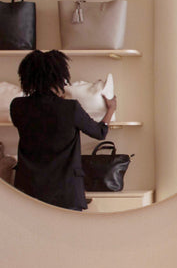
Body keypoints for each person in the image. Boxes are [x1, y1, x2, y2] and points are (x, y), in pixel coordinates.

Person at [10, 49, 117, 211]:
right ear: (59, 77)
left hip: (28, 189)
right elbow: (99, 132)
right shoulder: (69, 108)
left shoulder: (17, 106)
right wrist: (111, 110)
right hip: (65, 192)